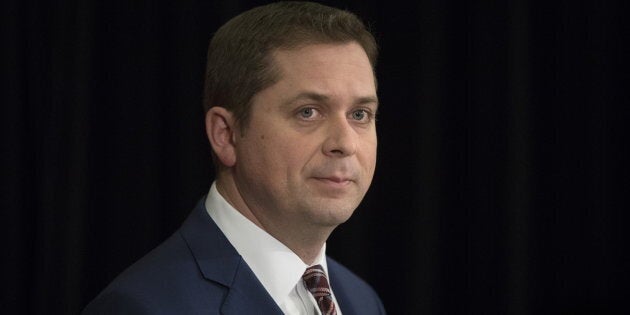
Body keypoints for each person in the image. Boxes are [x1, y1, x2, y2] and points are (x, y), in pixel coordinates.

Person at [83, 2, 385, 314]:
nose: (345, 143)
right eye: (308, 112)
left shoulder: (360, 301)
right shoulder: (141, 306)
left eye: (360, 114)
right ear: (225, 135)